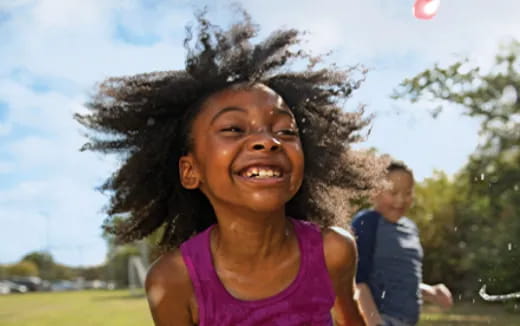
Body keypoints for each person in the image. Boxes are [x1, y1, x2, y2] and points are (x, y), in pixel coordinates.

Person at [76, 9, 382, 326]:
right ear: (190, 171)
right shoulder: (173, 281)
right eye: (234, 129)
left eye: (285, 131)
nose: (268, 142)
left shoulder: (333, 250)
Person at [352, 160, 453, 326]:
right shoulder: (367, 223)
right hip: (377, 319)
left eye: (407, 193)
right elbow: (357, 279)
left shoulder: (410, 228)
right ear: (374, 192)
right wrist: (373, 322)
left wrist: (430, 292)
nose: (401, 200)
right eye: (393, 192)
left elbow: (398, 280)